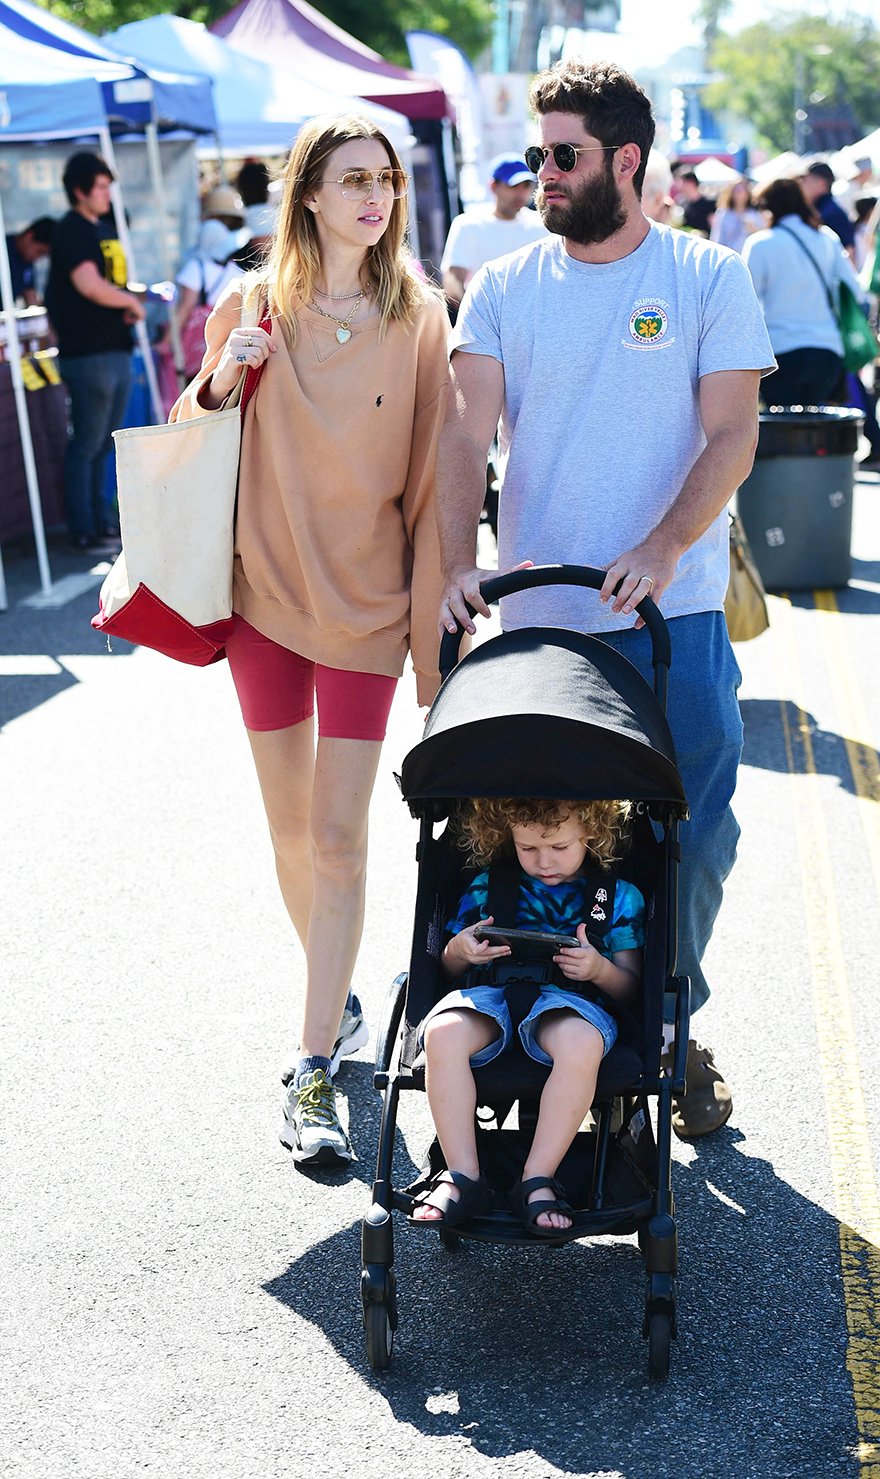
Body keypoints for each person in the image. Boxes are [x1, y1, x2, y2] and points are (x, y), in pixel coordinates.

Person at [436, 58, 776, 1140]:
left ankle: (665, 1024)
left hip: (671, 618)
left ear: (624, 161)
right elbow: (461, 433)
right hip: (544, 626)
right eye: (537, 154)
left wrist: (664, 544)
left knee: (695, 836)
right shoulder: (504, 285)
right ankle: (532, 1020)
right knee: (531, 842)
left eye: (563, 154)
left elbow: (732, 433)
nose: (542, 172)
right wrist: (455, 560)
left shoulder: (705, 276)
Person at [171, 115, 450, 1170]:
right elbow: (187, 439)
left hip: (368, 613)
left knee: (338, 839)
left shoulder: (419, 317)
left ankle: (314, 1068)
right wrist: (220, 376)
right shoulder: (252, 304)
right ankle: (332, 1005)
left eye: (385, 181)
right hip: (262, 601)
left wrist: (432, 644)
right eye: (353, 182)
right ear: (309, 197)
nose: (376, 200)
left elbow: (431, 489)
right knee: (289, 834)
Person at [411, 798, 644, 1229]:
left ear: (590, 833)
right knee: (442, 1031)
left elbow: (631, 986)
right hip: (490, 992)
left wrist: (599, 968)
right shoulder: (487, 886)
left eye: (559, 848)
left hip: (572, 1002)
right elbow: (446, 966)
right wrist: (459, 951)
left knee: (580, 1042)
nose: (544, 862)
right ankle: (463, 1174)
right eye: (528, 849)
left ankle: (538, 1178)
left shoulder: (616, 897)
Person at [45, 152, 146, 553]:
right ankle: (83, 529)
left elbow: (104, 283)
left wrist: (128, 299)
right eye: (101, 186)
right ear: (79, 190)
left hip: (112, 348)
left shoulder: (99, 227)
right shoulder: (72, 229)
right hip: (88, 352)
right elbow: (89, 284)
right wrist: (129, 302)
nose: (107, 194)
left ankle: (101, 524)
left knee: (103, 443)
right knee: (88, 443)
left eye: (108, 185)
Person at [743, 177, 864, 406]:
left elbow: (745, 303)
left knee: (785, 434)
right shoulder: (826, 237)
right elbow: (856, 289)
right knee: (817, 431)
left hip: (780, 351)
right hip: (827, 350)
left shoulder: (760, 243)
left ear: (769, 208)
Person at [440, 154, 547, 311]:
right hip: (485, 321)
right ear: (493, 186)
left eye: (526, 185)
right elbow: (453, 279)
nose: (521, 193)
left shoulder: (541, 224)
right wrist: (475, 318)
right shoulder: (468, 225)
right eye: (513, 186)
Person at [172, 219, 244, 379]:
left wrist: (168, 339)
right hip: (231, 336)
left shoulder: (196, 267)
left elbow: (186, 307)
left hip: (205, 338)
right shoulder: (235, 270)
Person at [0, 218, 55, 315]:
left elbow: (31, 301)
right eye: (39, 251)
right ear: (29, 236)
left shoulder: (27, 261)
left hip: (3, 323)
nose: (38, 257)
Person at [800, 162, 855, 253]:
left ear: (821, 183)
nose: (802, 185)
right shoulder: (824, 209)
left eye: (805, 180)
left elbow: (849, 251)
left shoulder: (829, 213)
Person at [709, 180, 762, 254]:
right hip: (728, 256)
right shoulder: (723, 213)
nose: (741, 193)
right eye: (738, 191)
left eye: (744, 190)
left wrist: (754, 230)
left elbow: (761, 236)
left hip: (749, 256)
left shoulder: (754, 213)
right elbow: (716, 238)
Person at [675, 170, 716, 236]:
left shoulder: (709, 204)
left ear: (691, 183)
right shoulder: (683, 204)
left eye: (682, 182)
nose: (679, 186)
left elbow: (714, 228)